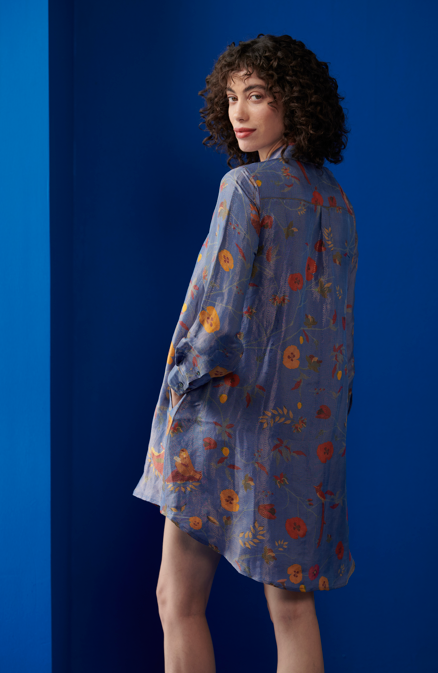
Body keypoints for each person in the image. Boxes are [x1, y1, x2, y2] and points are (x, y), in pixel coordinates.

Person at [133, 33, 358, 673]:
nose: (239, 112)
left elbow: (214, 318)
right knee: (292, 611)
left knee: (178, 600)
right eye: (232, 97)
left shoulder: (246, 187)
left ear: (295, 102)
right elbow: (337, 331)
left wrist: (178, 392)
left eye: (256, 96)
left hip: (226, 421)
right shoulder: (338, 202)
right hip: (308, 431)